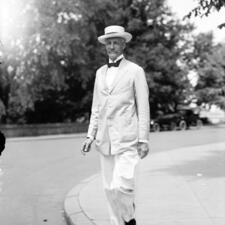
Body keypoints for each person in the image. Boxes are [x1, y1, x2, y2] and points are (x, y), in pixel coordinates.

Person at [81, 25, 150, 225]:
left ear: (123, 44)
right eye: (108, 43)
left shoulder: (135, 71)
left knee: (124, 184)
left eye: (116, 42)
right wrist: (90, 135)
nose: (111, 46)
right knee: (109, 188)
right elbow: (96, 107)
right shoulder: (100, 73)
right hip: (104, 139)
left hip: (127, 138)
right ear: (105, 46)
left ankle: (128, 218)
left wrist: (143, 139)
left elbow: (143, 107)